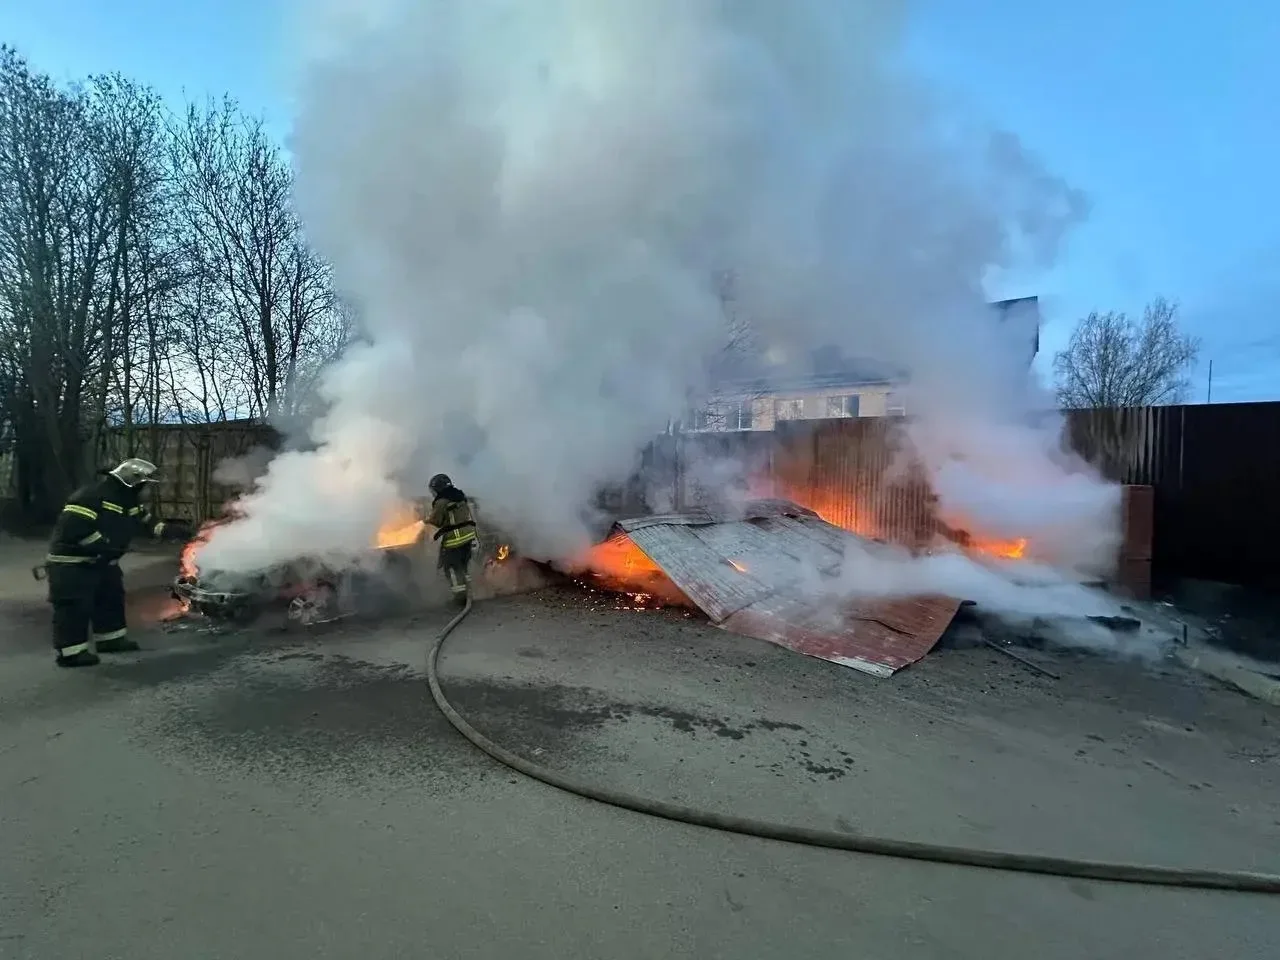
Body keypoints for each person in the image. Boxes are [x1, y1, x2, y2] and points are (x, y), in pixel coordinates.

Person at [42, 458, 191, 668]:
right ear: (131, 481)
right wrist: (102, 546)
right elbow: (74, 529)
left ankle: (110, 640)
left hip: (104, 563)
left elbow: (148, 523)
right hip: (74, 564)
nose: (144, 489)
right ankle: (71, 653)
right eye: (143, 484)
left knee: (110, 601)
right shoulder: (90, 497)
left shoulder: (127, 501)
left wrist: (174, 531)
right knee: (74, 608)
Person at [423, 473, 478, 604]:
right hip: (469, 537)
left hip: (455, 539)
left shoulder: (441, 501)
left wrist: (426, 520)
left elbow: (436, 521)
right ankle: (469, 593)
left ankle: (460, 596)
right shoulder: (459, 496)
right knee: (463, 567)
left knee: (451, 568)